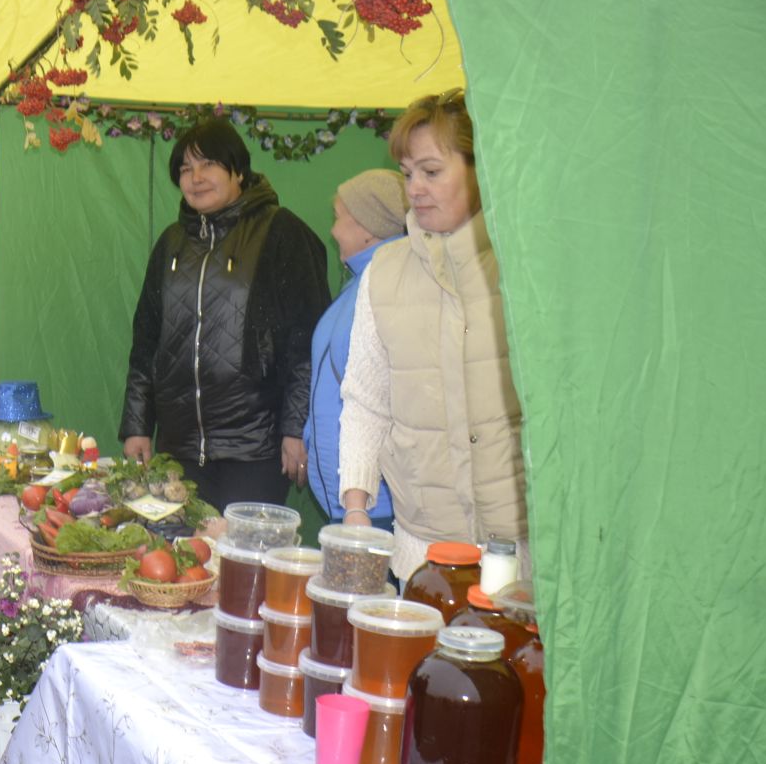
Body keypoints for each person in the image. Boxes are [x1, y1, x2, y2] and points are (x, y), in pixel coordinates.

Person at [338, 89, 527, 579]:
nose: (415, 188)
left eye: (432, 171)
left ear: (480, 165)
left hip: (522, 557)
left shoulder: (527, 270)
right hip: (422, 556)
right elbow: (365, 400)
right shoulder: (384, 271)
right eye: (407, 174)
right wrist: (356, 506)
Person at [120, 118, 330, 510]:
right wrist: (137, 426)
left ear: (238, 170)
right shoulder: (170, 244)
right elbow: (146, 342)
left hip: (255, 449)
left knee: (242, 563)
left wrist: (296, 428)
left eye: (208, 165)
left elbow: (307, 342)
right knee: (184, 558)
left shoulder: (281, 232)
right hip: (178, 448)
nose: (195, 178)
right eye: (185, 169)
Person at [304, 170, 408, 527]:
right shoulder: (360, 284)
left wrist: (358, 505)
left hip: (375, 508)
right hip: (355, 506)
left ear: (367, 227)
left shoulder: (385, 289)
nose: (332, 229)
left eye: (338, 217)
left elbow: (374, 396)